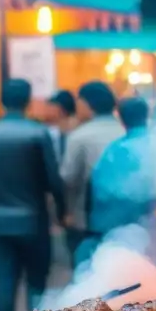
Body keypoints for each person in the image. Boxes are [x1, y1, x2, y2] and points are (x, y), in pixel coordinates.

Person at [0, 79, 64, 311]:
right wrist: (62, 210)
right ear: (27, 100)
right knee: (36, 283)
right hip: (33, 219)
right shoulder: (37, 132)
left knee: (5, 282)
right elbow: (53, 178)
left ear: (2, 100)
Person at [60, 81, 124, 266]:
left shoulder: (79, 136)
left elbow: (68, 178)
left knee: (85, 272)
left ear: (87, 104)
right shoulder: (124, 132)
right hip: (123, 220)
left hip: (86, 221)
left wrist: (67, 211)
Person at [89, 97, 156, 240]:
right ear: (148, 114)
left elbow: (101, 191)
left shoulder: (114, 151)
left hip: (122, 227)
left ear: (120, 119)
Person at [45, 90, 77, 160]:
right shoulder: (48, 131)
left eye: (51, 106)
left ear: (61, 110)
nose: (46, 110)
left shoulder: (77, 132)